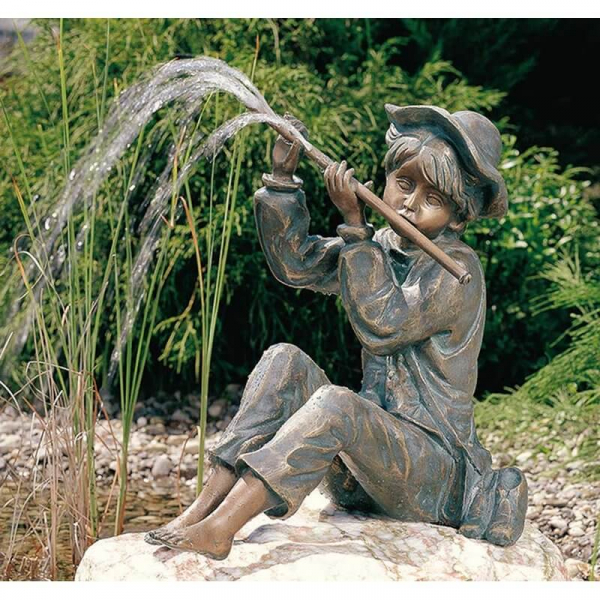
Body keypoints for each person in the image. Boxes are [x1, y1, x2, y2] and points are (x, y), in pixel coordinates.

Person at [144, 105, 528, 560]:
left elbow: (382, 325)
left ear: (459, 217)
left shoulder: (457, 271)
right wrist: (282, 181)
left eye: (433, 199)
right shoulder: (377, 247)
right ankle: (200, 512)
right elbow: (297, 263)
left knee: (337, 405)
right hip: (362, 475)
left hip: (432, 477)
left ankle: (221, 531)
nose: (408, 203)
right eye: (404, 184)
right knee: (283, 359)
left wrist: (355, 229)